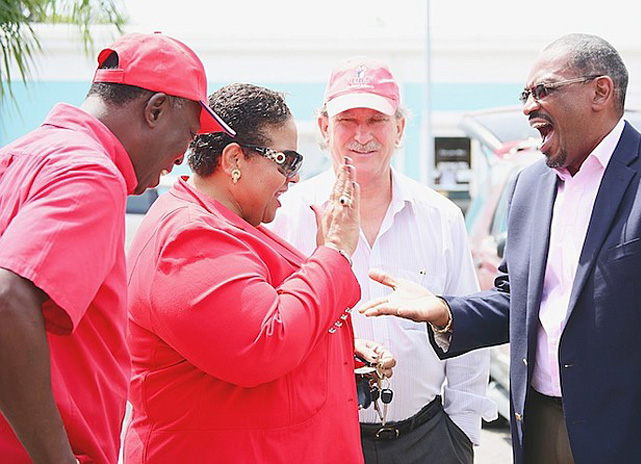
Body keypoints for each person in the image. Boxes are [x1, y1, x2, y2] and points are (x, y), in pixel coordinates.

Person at [359, 33, 641, 464]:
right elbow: (515, 304)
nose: (528, 106)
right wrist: (444, 311)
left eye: (543, 90)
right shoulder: (528, 186)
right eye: (525, 94)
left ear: (600, 91)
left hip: (633, 439)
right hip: (538, 427)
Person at [124, 83, 394, 463]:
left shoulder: (224, 224)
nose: (294, 178)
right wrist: (334, 251)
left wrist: (335, 349)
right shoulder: (189, 236)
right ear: (234, 159)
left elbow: (242, 326)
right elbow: (264, 342)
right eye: (286, 161)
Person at [0, 32, 233, 463]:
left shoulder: (18, 156)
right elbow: (7, 300)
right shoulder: (90, 170)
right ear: (155, 109)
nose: (180, 159)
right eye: (187, 133)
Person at [271, 57, 495, 464]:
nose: (362, 135)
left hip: (426, 438)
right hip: (320, 438)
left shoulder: (441, 216)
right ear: (324, 128)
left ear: (400, 128)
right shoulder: (286, 213)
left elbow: (467, 331)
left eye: (376, 119)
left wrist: (461, 432)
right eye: (347, 120)